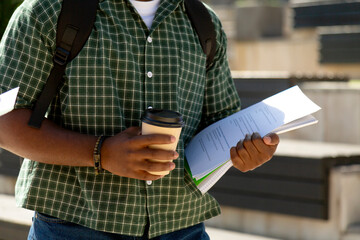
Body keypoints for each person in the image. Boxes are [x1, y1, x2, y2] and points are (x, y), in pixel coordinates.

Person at [0, 0, 279, 239]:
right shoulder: (49, 12)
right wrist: (101, 152)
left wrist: (248, 150)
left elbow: (221, 119)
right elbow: (5, 122)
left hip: (183, 227)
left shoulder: (204, 22)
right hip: (74, 224)